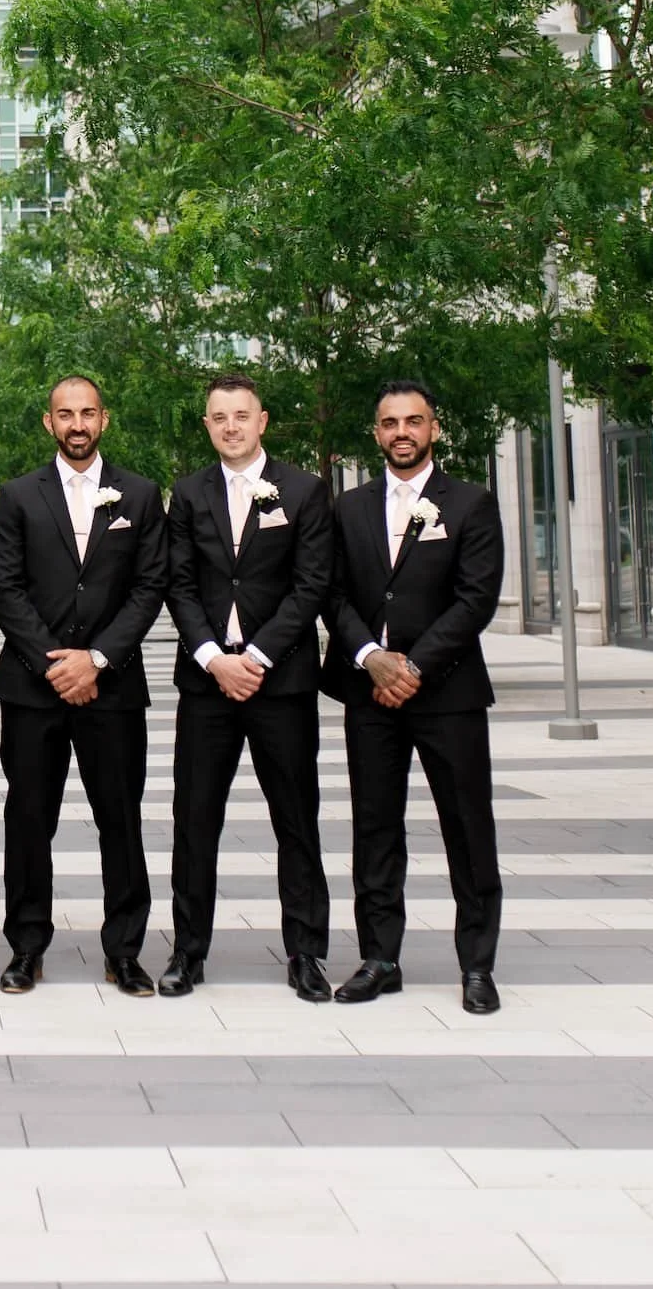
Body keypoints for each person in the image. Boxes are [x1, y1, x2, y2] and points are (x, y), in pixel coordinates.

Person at [323, 379, 505, 1016]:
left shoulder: (473, 503)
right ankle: (380, 957)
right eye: (390, 423)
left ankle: (477, 965)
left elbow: (475, 599)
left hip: (448, 693)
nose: (403, 432)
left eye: (414, 421)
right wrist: (372, 659)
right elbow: (332, 594)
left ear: (434, 428)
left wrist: (413, 666)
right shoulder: (347, 508)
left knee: (467, 825)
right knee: (375, 826)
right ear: (376, 433)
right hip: (367, 693)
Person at [0, 376, 170, 997]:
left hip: (112, 689)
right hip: (32, 689)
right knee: (28, 820)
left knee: (120, 820)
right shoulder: (15, 496)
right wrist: (54, 663)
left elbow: (150, 588)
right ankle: (25, 948)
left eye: (87, 413)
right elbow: (4, 588)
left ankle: (125, 952)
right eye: (65, 414)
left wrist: (95, 660)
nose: (76, 424)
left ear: (104, 419)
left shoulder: (142, 496)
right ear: (48, 423)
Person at [163, 373, 335, 1001]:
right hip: (208, 683)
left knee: (296, 820)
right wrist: (214, 658)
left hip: (280, 683)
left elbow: (310, 586)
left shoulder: (305, 491)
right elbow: (177, 585)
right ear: (206, 425)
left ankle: (306, 953)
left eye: (241, 415)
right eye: (218, 417)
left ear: (263, 420)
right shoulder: (186, 494)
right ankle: (188, 951)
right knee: (194, 820)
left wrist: (256, 657)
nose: (230, 426)